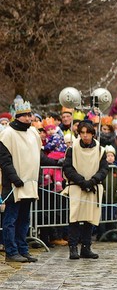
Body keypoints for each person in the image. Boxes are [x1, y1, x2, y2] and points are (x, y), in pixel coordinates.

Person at [0, 99, 49, 262]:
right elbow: (5, 161)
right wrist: (15, 178)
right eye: (25, 116)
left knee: (24, 219)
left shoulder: (33, 132)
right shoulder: (7, 133)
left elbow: (39, 156)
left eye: (29, 115)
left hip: (29, 183)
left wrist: (56, 163)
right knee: (11, 219)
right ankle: (11, 251)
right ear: (17, 117)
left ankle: (22, 249)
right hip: (14, 184)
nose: (29, 118)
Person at [63, 120, 109, 260]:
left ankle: (86, 247)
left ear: (93, 134)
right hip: (77, 187)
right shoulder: (73, 148)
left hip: (93, 187)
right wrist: (82, 181)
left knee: (90, 219)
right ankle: (73, 248)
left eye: (88, 133)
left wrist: (93, 181)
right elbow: (68, 167)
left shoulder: (100, 150)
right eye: (82, 133)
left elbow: (104, 169)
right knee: (75, 219)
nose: (85, 136)